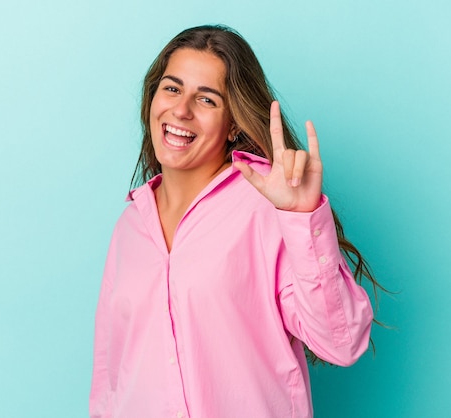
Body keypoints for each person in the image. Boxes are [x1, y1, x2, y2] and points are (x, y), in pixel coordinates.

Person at [90, 24, 379, 418]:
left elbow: (341, 342)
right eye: (172, 88)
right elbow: (111, 378)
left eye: (206, 99)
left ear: (235, 125)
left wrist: (301, 216)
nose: (181, 110)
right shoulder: (130, 225)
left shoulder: (265, 207)